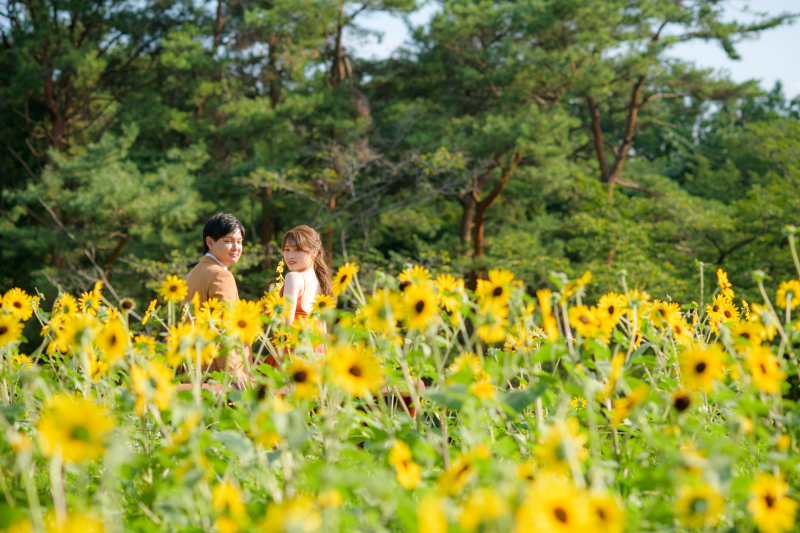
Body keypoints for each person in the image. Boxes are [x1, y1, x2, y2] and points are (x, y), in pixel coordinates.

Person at [182, 213, 252, 389]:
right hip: (218, 378)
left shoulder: (190, 275)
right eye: (228, 241)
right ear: (210, 242)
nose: (236, 247)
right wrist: (233, 373)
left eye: (240, 241)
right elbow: (225, 328)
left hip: (194, 372)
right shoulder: (221, 275)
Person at [266, 225, 332, 367]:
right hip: (318, 348)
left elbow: (287, 321)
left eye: (298, 250)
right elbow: (323, 327)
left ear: (314, 252)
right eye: (287, 250)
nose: (290, 256)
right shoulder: (320, 281)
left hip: (296, 349)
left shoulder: (293, 277)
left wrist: (268, 312)